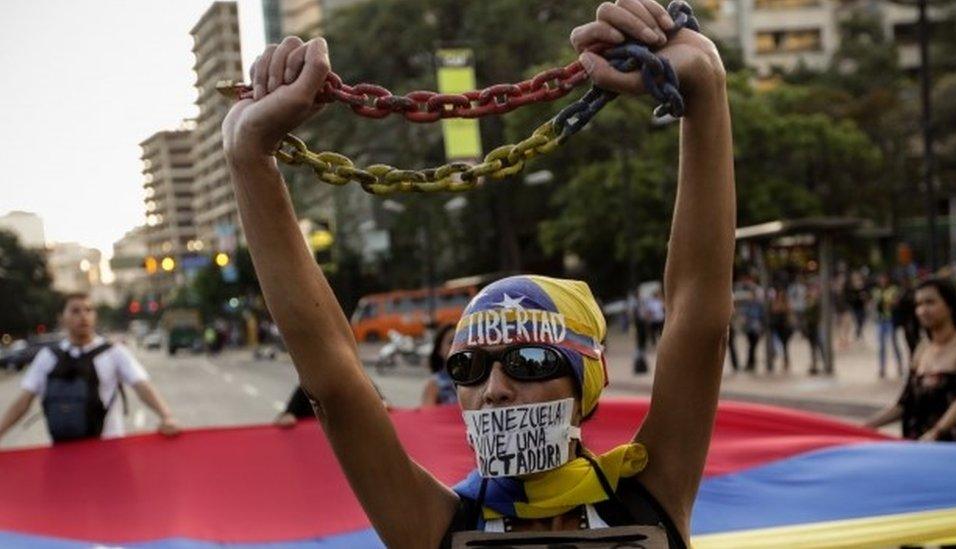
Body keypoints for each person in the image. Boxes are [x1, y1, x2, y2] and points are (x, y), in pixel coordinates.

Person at [220, 0, 733, 544]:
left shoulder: (650, 493)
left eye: (528, 362)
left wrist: (705, 89)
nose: (494, 391)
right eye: (466, 368)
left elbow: (698, 321)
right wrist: (249, 155)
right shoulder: (437, 525)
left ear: (589, 378)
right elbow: (336, 386)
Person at [0, 293, 180, 445]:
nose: (83, 316)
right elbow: (22, 403)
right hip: (63, 454)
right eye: (75, 311)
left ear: (95, 316)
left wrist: (166, 416)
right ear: (61, 318)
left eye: (88, 310)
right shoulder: (47, 357)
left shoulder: (114, 352)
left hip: (109, 447)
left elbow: (142, 386)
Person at [865, 279, 956, 443]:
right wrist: (867, 426)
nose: (923, 310)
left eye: (930, 302)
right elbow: (904, 403)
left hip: (952, 449)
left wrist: (936, 433)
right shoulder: (922, 349)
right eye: (918, 304)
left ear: (950, 305)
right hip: (916, 447)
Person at [874, 274, 905, 378]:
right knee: (881, 346)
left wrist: (889, 303)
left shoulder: (893, 289)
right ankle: (882, 368)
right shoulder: (877, 291)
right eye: (880, 278)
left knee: (894, 344)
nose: (882, 280)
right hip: (880, 320)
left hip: (890, 320)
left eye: (884, 278)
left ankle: (900, 367)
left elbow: (896, 302)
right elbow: (875, 303)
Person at [421, 325, 460, 407]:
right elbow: (427, 416)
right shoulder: (434, 384)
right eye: (451, 342)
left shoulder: (476, 380)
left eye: (461, 340)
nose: (458, 346)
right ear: (439, 350)